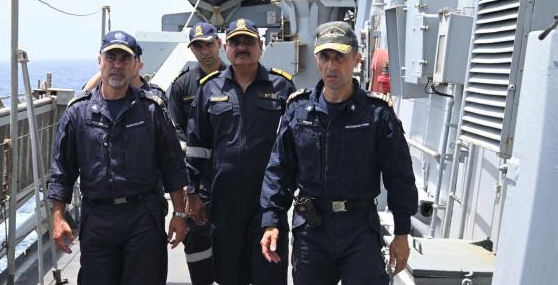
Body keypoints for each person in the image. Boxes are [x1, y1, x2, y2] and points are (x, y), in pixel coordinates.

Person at [259, 21, 418, 285]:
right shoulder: (298, 110)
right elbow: (279, 168)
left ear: (356, 58)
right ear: (317, 59)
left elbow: (399, 175)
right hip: (312, 229)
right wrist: (271, 221)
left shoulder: (377, 114)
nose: (332, 65)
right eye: (325, 57)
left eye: (340, 57)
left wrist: (402, 233)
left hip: (360, 229)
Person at [48, 30, 189, 285]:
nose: (117, 65)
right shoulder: (77, 114)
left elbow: (173, 167)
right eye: (111, 57)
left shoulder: (152, 110)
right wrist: (58, 218)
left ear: (136, 65)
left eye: (124, 59)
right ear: (99, 61)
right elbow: (62, 171)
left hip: (143, 218)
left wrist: (180, 214)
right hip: (97, 219)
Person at [186, 18, 296, 285]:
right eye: (236, 42)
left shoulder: (282, 87)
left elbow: (294, 147)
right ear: (226, 47)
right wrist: (193, 193)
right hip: (225, 202)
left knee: (268, 274)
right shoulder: (209, 88)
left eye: (249, 41)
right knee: (229, 276)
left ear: (261, 46)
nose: (242, 47)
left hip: (269, 202)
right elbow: (197, 145)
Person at [168, 22, 227, 285]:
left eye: (209, 44)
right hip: (197, 181)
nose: (205, 51)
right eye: (198, 46)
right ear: (192, 50)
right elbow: (176, 135)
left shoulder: (237, 79)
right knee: (197, 243)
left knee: (231, 244)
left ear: (220, 44)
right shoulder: (182, 86)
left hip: (230, 179)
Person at [83, 44, 168, 107]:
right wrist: (108, 70)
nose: (121, 65)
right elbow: (85, 93)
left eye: (126, 60)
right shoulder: (114, 92)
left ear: (139, 65)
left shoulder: (155, 94)